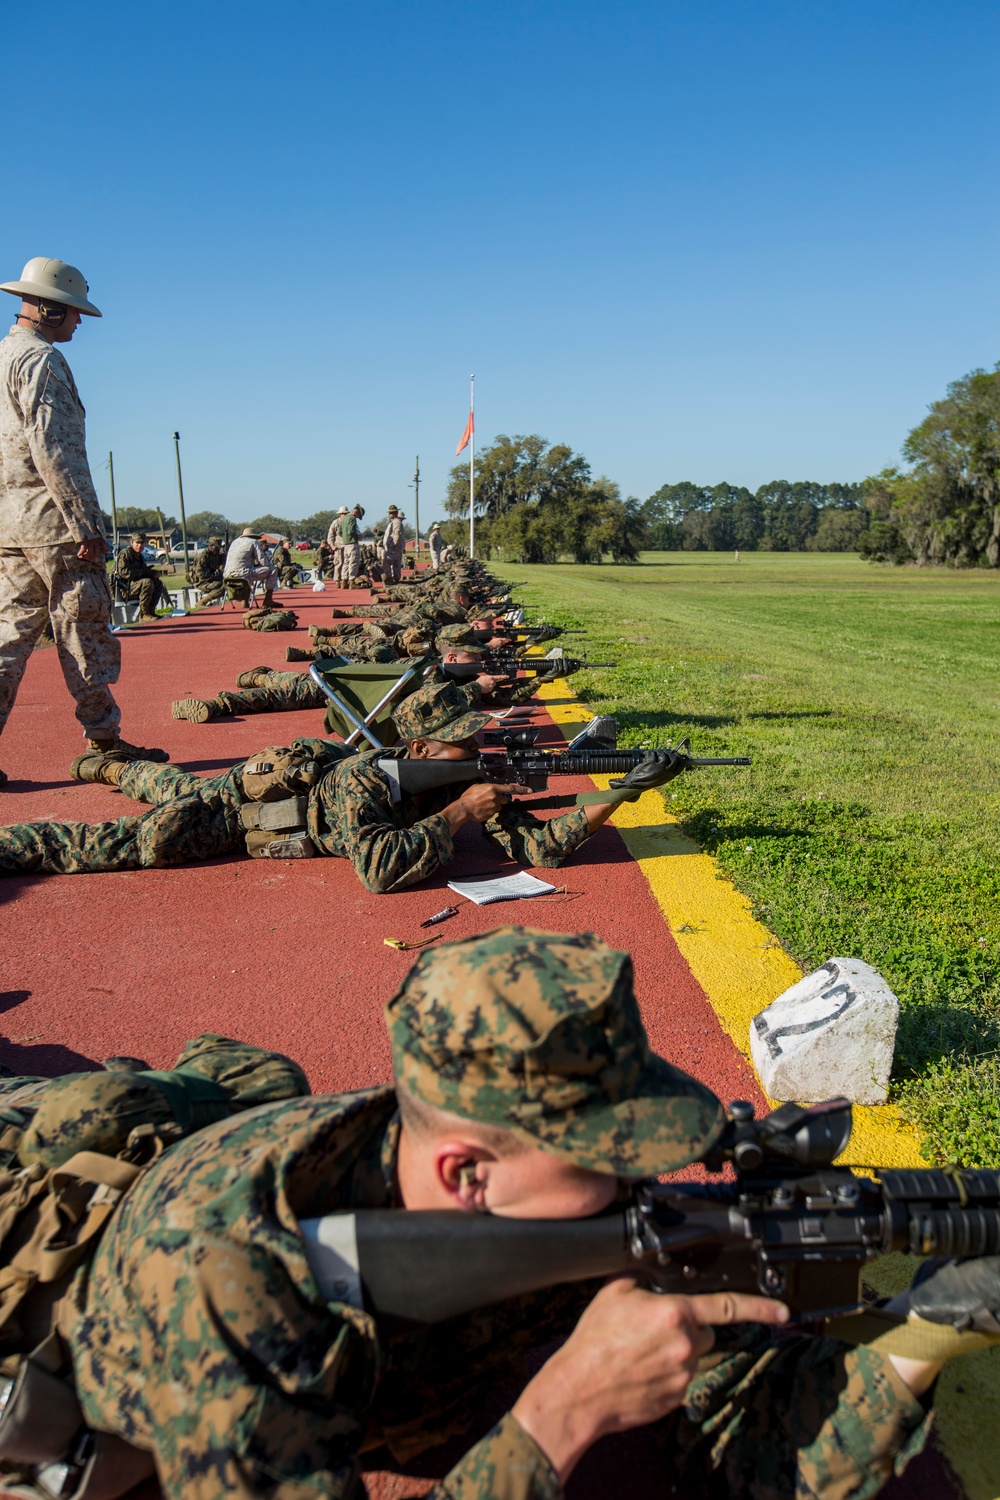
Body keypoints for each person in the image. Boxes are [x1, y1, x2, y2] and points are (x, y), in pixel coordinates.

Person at [60, 925, 958, 1500]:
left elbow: (740, 1439)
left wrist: (929, 1335)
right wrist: (560, 1415)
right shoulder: (220, 1279)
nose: (648, 1177)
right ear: (466, 1176)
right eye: (610, 1156)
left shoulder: (516, 1185)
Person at [0, 681, 638, 886]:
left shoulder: (453, 779)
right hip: (236, 813)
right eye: (460, 741)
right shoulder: (362, 778)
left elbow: (538, 849)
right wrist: (459, 814)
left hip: (273, 802)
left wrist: (624, 791)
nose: (474, 750)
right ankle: (30, 831)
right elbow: (380, 871)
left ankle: (111, 766)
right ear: (417, 747)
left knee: (161, 783)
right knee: (124, 842)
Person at [0, 256, 168, 780]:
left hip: (10, 524)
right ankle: (104, 741)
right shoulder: (42, 361)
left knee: (7, 637)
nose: (77, 323)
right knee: (84, 631)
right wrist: (86, 526)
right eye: (73, 314)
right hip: (55, 528)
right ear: (49, 310)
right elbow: (57, 450)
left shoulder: (3, 355)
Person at [114, 533, 170, 620]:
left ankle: (151, 612)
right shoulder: (125, 554)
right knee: (147, 582)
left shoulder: (140, 556)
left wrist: (152, 573)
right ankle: (144, 614)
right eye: (137, 543)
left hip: (135, 586)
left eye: (142, 543)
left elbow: (142, 572)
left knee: (158, 583)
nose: (139, 545)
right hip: (124, 588)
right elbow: (125, 573)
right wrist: (145, 573)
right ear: (131, 542)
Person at [223, 527, 277, 609]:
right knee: (273, 570)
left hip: (227, 575)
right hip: (243, 574)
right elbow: (263, 561)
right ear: (254, 537)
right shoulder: (254, 542)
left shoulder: (234, 542)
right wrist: (266, 565)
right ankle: (268, 600)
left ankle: (245, 601)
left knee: (249, 571)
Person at [187, 536, 226, 607]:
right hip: (201, 582)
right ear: (211, 546)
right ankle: (202, 602)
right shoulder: (203, 557)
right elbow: (201, 574)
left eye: (219, 548)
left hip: (210, 579)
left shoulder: (217, 555)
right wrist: (215, 577)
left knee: (227, 583)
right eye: (217, 548)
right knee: (221, 586)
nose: (218, 550)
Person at [383, 504, 405, 583]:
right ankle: (396, 578)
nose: (389, 515)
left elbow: (397, 534)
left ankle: (389, 578)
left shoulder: (396, 522)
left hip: (394, 547)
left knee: (387, 562)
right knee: (396, 563)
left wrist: (393, 545)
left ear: (395, 513)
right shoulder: (394, 522)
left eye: (391, 513)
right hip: (397, 547)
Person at [326, 507, 348, 583]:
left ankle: (345, 580)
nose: (344, 515)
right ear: (340, 514)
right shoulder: (335, 523)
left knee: (347, 563)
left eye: (345, 514)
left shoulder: (349, 522)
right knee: (339, 563)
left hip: (347, 546)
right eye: (343, 514)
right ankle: (337, 580)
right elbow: (330, 536)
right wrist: (332, 546)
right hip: (338, 547)